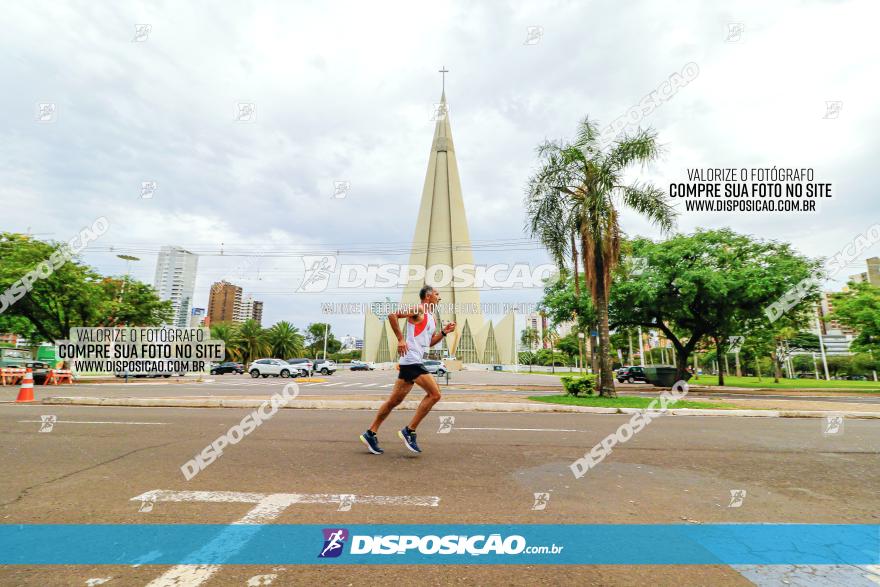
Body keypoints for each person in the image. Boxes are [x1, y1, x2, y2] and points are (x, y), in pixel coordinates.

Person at [360, 285, 455, 454]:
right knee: (435, 394)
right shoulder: (418, 309)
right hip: (411, 360)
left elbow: (430, 342)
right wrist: (400, 339)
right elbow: (392, 315)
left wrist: (444, 332)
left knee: (393, 402)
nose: (439, 297)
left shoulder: (432, 317)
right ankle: (409, 431)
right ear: (427, 297)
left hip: (412, 361)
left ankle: (370, 433)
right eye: (437, 294)